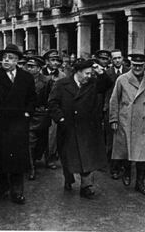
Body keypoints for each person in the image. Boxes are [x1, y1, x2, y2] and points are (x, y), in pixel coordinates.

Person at [0, 44, 37, 205]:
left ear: (18, 61)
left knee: (17, 159)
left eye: (11, 58)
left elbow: (32, 98)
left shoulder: (26, 77)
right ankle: (1, 188)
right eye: (5, 57)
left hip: (18, 123)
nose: (6, 60)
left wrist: (27, 112)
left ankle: (17, 191)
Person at [48, 58, 112, 198]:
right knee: (68, 157)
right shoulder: (61, 84)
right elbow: (52, 104)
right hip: (68, 126)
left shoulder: (93, 84)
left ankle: (86, 186)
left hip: (87, 127)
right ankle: (68, 178)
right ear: (78, 72)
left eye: (91, 73)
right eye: (87, 73)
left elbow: (107, 83)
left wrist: (100, 70)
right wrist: (61, 119)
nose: (89, 76)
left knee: (86, 156)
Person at [109, 53, 145, 194]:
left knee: (143, 154)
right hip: (126, 120)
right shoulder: (122, 79)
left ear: (144, 66)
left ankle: (140, 183)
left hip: (143, 122)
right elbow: (114, 100)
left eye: (140, 66)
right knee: (126, 150)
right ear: (130, 64)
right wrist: (114, 119)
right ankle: (127, 172)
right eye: (134, 65)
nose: (137, 68)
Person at [104, 49, 130, 179]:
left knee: (125, 140)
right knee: (111, 141)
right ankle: (113, 167)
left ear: (123, 58)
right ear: (111, 60)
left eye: (119, 58)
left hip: (126, 110)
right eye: (114, 58)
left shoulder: (130, 72)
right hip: (111, 109)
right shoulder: (107, 73)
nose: (117, 60)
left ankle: (125, 167)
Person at [25, 56, 51, 181]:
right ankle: (31, 168)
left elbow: (51, 98)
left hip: (42, 115)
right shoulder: (22, 79)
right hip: (28, 115)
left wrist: (46, 110)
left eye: (32, 66)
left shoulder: (47, 81)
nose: (29, 68)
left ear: (39, 68)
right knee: (30, 142)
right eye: (28, 66)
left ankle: (41, 159)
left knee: (42, 141)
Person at [41, 49, 66, 169]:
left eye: (57, 60)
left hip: (54, 108)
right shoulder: (40, 73)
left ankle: (50, 158)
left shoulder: (62, 76)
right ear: (46, 61)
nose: (55, 63)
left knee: (52, 135)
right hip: (41, 108)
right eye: (52, 60)